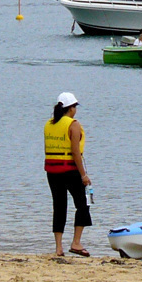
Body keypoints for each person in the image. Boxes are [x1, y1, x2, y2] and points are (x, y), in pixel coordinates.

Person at [44, 92, 92, 257]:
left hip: (52, 171)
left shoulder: (49, 124)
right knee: (83, 205)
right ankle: (76, 243)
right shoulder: (74, 124)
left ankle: (58, 248)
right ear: (71, 108)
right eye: (74, 107)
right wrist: (84, 175)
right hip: (70, 170)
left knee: (59, 206)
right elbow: (75, 152)